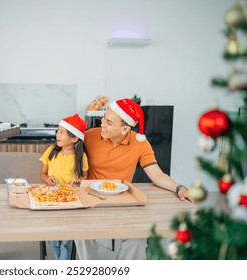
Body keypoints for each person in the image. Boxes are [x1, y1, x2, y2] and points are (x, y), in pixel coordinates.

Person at [75, 98, 192, 260]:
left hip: (122, 201)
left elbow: (157, 174)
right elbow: (68, 159)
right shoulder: (89, 136)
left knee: (138, 237)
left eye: (108, 122)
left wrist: (179, 188)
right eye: (103, 118)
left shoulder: (139, 143)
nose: (102, 124)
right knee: (80, 235)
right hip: (92, 200)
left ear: (125, 129)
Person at [39, 113, 89, 260]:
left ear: (74, 139)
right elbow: (41, 174)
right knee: (53, 236)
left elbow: (85, 177)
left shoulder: (81, 157)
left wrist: (78, 181)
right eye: (58, 131)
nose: (57, 135)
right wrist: (47, 179)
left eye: (62, 132)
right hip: (51, 199)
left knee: (67, 238)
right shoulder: (50, 151)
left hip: (70, 200)